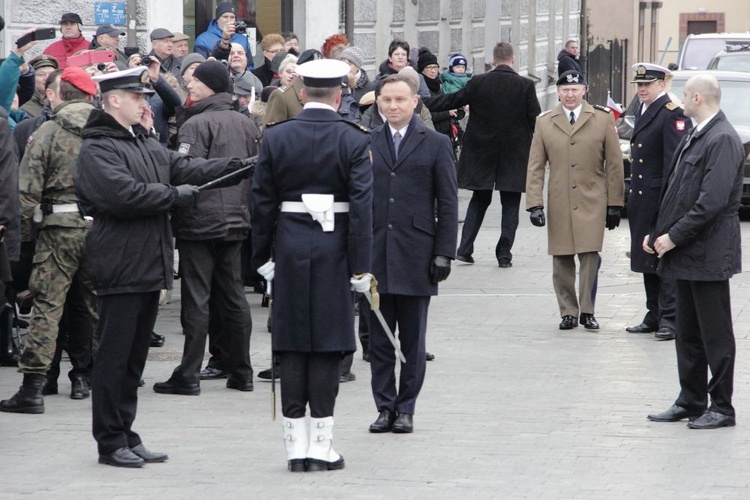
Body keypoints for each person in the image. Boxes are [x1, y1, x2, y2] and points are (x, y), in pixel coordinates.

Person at [74, 66, 252, 467]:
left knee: (134, 358)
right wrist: (174, 195)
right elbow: (122, 195)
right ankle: (109, 440)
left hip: (148, 262)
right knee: (115, 357)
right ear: (113, 100)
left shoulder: (143, 143)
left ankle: (127, 432)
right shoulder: (98, 147)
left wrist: (242, 165)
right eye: (137, 97)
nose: (144, 103)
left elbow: (187, 168)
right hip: (120, 263)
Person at [251, 58, 372, 472]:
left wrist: (261, 259)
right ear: (339, 96)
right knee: (326, 346)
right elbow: (361, 210)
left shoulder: (277, 137)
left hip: (288, 246)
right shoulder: (354, 139)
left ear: (303, 94)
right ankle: (320, 447)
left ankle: (294, 448)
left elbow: (262, 203)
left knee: (291, 343)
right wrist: (361, 267)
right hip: (334, 251)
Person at [645, 74, 744, 430]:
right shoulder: (698, 133)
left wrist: (673, 237)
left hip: (709, 253)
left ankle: (722, 407)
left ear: (698, 97)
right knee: (687, 332)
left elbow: (711, 203)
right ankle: (691, 400)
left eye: (684, 95)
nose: (680, 100)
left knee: (715, 334)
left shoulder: (722, 139)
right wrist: (658, 234)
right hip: (687, 253)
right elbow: (678, 191)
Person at [154, 60, 258, 396]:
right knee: (234, 297)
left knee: (197, 300)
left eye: (194, 82)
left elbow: (184, 170)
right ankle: (242, 372)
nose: (189, 87)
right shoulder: (245, 123)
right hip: (236, 220)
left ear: (210, 86)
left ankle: (188, 374)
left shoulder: (196, 124)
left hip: (200, 222)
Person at [0, 67, 99, 413]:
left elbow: (26, 192)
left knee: (46, 309)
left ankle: (33, 389)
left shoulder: (46, 132)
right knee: (98, 307)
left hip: (57, 230)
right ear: (89, 96)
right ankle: (104, 378)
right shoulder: (108, 130)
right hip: (100, 229)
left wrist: (23, 242)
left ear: (61, 94)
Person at [367, 73, 458, 435]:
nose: (393, 106)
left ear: (415, 102)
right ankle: (384, 407)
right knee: (379, 339)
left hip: (417, 254)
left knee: (413, 340)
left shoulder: (434, 143)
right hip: (375, 254)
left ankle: (406, 408)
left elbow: (448, 203)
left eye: (400, 100)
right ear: (377, 103)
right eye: (386, 100)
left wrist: (444, 253)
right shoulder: (367, 142)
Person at [423, 42, 541, 267]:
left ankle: (465, 248)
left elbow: (450, 100)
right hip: (514, 154)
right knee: (510, 204)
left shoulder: (478, 82)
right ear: (513, 60)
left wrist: (420, 102)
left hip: (481, 152)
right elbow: (537, 120)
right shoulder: (525, 86)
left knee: (479, 199)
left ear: (493, 60)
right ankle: (504, 256)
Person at [525, 69, 623, 330]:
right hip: (559, 199)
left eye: (575, 89)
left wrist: (615, 203)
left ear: (584, 90)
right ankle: (568, 311)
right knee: (562, 258)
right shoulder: (545, 122)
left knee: (590, 256)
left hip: (592, 198)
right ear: (558, 92)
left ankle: (587, 311)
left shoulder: (602, 119)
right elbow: (535, 166)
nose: (570, 94)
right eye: (565, 90)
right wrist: (534, 203)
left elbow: (614, 164)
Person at [624, 63, 690, 342]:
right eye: (639, 85)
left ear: (663, 85)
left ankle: (670, 318)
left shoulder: (671, 114)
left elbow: (673, 165)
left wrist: (667, 206)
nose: (641, 89)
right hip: (641, 198)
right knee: (645, 257)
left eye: (647, 85)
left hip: (659, 199)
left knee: (662, 257)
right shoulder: (643, 111)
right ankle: (653, 314)